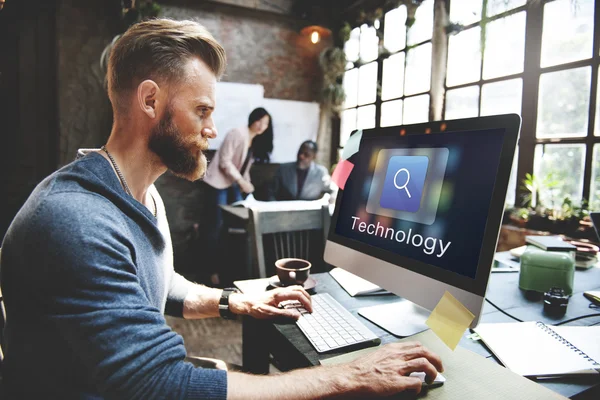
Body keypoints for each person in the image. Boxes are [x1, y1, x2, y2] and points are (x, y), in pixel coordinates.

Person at [0, 18, 443, 399]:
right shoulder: (76, 221)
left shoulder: (141, 194)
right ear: (150, 100)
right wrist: (350, 377)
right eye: (202, 110)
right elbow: (165, 384)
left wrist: (239, 303)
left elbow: (160, 284)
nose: (212, 129)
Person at [202, 107, 272, 284]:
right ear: (252, 119)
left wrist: (247, 185)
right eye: (259, 121)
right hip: (218, 183)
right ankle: (211, 271)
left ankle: (230, 270)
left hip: (232, 184)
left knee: (236, 226)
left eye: (265, 123)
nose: (261, 126)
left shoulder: (253, 140)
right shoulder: (237, 133)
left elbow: (244, 168)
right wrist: (241, 182)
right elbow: (225, 161)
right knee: (215, 227)